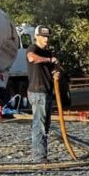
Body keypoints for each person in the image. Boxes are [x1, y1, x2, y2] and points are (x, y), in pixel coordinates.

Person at [26, 27, 59, 162]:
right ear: (37, 36)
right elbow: (32, 58)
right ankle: (39, 157)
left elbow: (56, 67)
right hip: (37, 92)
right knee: (39, 124)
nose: (46, 39)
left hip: (46, 91)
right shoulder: (32, 49)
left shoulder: (48, 53)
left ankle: (42, 155)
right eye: (44, 36)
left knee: (45, 125)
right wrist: (49, 60)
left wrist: (57, 72)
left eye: (48, 37)